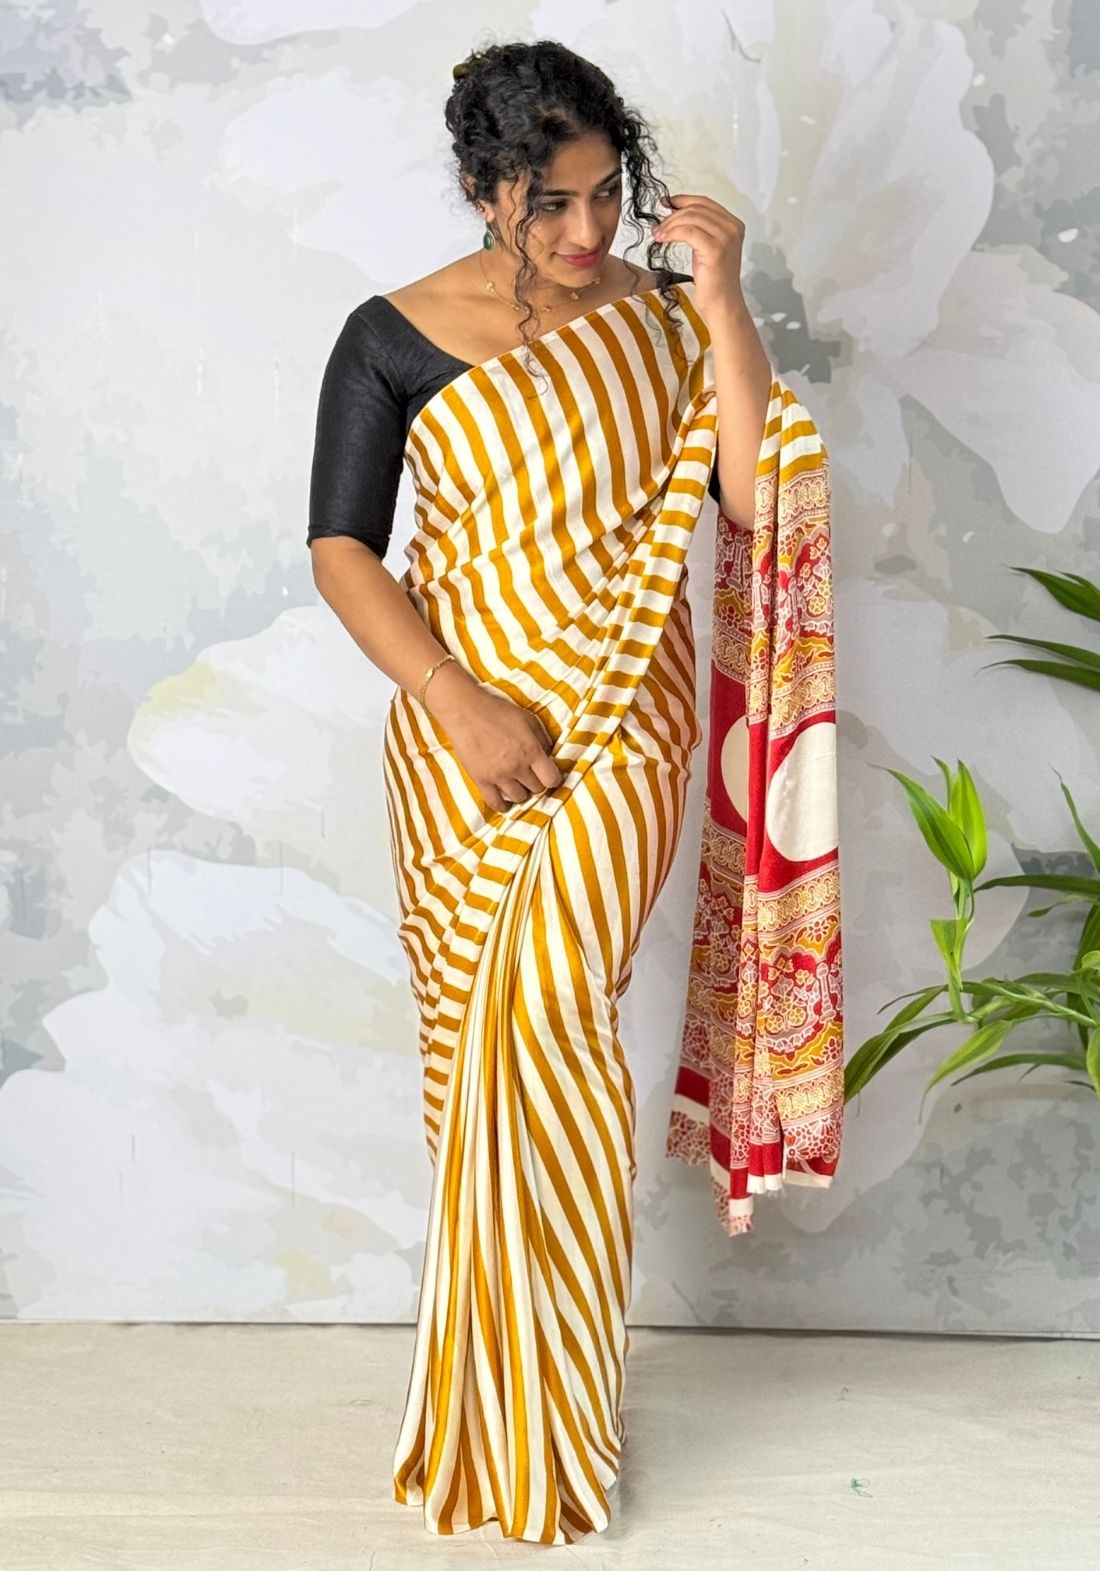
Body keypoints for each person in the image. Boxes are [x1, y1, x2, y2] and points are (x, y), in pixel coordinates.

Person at [307, 37, 844, 1547]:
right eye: (551, 202)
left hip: (622, 727)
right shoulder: (391, 338)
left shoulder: (658, 321)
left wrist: (723, 304)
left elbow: (758, 496)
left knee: (544, 1017)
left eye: (608, 193)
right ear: (484, 187)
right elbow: (341, 547)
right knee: (474, 1051)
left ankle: (562, 1406)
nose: (589, 229)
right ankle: (503, 1400)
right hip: (456, 737)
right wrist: (459, 701)